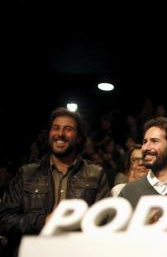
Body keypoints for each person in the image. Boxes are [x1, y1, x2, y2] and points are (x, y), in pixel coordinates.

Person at [0, 107, 109, 257]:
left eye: (68, 129)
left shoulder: (96, 174)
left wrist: (74, 222)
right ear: (49, 134)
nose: (61, 134)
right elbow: (4, 220)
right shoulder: (27, 174)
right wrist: (43, 221)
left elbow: (105, 222)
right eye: (56, 128)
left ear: (79, 137)